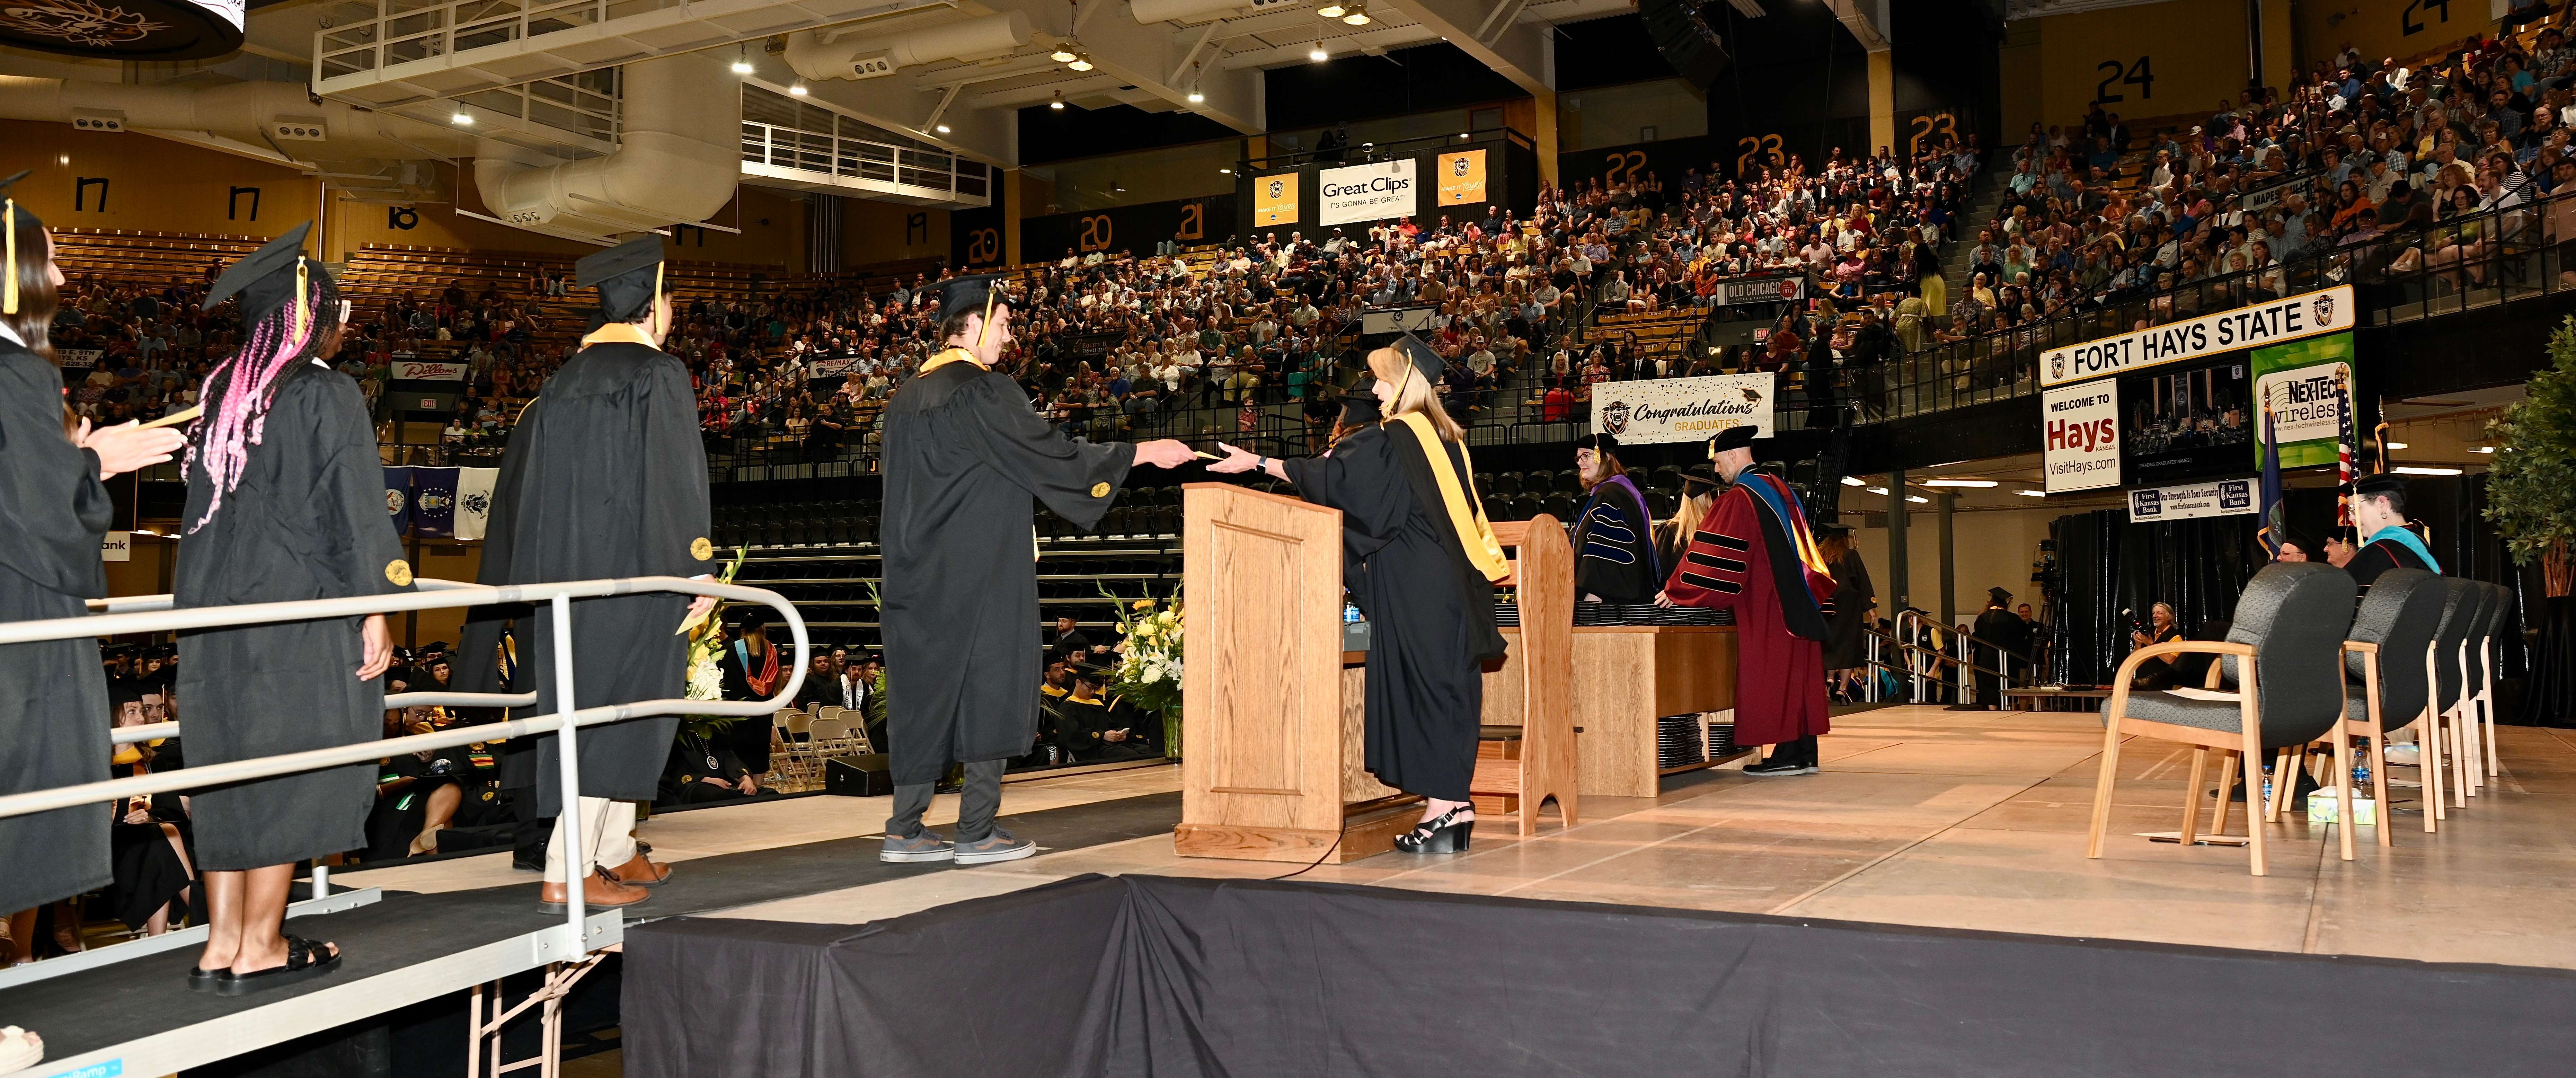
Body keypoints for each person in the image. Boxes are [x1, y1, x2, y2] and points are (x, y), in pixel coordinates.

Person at [877, 274, 1196, 865]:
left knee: (925, 693)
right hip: (981, 572)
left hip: (915, 573)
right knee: (990, 686)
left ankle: (904, 829)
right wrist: (1141, 453)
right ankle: (976, 831)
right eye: (1002, 324)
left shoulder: (905, 398)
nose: (1008, 336)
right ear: (973, 324)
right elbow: (1052, 455)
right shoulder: (982, 390)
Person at [176, 223, 408, 993]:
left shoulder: (223, 393)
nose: (344, 326)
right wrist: (377, 604)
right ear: (308, 315)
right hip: (298, 613)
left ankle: (221, 941)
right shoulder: (322, 391)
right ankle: (263, 942)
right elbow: (354, 506)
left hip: (215, 618)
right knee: (290, 765)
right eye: (336, 313)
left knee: (228, 770)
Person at [454, 236, 718, 913]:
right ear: (652, 305)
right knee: (617, 717)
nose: (673, 314)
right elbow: (674, 480)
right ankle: (567, 869)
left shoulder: (563, 380)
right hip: (634, 578)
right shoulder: (658, 373)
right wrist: (696, 567)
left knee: (593, 715)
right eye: (669, 301)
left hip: (566, 583)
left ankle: (612, 848)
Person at [1206, 334, 1512, 853]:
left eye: (1381, 379)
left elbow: (1340, 480)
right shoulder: (1446, 436)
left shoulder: (1397, 436)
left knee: (1428, 689)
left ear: (1403, 382)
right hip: (1448, 585)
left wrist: (1258, 463)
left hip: (1417, 586)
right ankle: (1453, 806)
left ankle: (1445, 809)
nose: (1373, 389)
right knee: (1447, 688)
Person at [0, 174, 186, 1000]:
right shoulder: (17, 372)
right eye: (48, 260)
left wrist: (68, 457)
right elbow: (39, 520)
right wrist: (93, 463)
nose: (62, 277)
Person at [1657, 425, 1836, 776]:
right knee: (1797, 676)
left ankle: (1787, 755)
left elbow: (1717, 555)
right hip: (1796, 600)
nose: (1717, 470)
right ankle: (1804, 753)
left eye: (1718, 462)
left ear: (1734, 455)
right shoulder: (1779, 487)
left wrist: (1678, 589)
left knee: (1772, 677)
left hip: (1768, 604)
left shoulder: (1740, 497)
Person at [1570, 433, 1659, 604]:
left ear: (1607, 458)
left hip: (1605, 602)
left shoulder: (1611, 496)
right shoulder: (1617, 491)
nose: (1580, 462)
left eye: (1586, 456)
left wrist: (1593, 596)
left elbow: (1606, 552)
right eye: (1578, 458)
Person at [2329, 474, 2440, 594]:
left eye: (2354, 509)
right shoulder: (2415, 540)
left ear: (2382, 504)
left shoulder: (2381, 550)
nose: (2352, 518)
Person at [1816, 525, 1875, 698]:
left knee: (1830, 644)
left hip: (1827, 606)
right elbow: (1862, 579)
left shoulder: (1820, 555)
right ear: (1844, 539)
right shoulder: (1850, 555)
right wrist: (1871, 606)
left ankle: (1830, 678)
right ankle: (1842, 689)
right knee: (1849, 646)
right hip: (1849, 607)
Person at [1971, 586, 2032, 707]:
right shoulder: (2012, 618)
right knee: (2009, 684)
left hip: (1988, 657)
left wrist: (1986, 608)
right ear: (2005, 603)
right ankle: (2011, 709)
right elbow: (2024, 633)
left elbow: (1978, 633)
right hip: (2008, 657)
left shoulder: (1984, 617)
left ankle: (1992, 711)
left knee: (1990, 685)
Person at [2125, 601, 2183, 688]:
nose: (2155, 616)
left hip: (2161, 686)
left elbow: (2171, 661)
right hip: (2141, 683)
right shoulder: (2149, 634)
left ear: (2169, 617)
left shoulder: (2175, 636)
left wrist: (2151, 644)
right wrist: (2138, 644)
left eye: (2159, 613)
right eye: (2154, 613)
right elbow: (2135, 659)